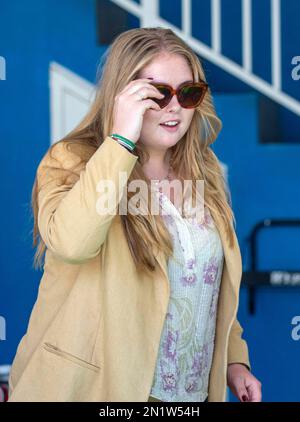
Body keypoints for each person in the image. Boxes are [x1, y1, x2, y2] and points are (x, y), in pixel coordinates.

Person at [8, 27, 262, 402]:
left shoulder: (202, 168)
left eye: (188, 93)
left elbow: (204, 281)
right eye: (156, 94)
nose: (174, 107)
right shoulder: (72, 161)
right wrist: (121, 141)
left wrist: (234, 363)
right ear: (123, 96)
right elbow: (72, 243)